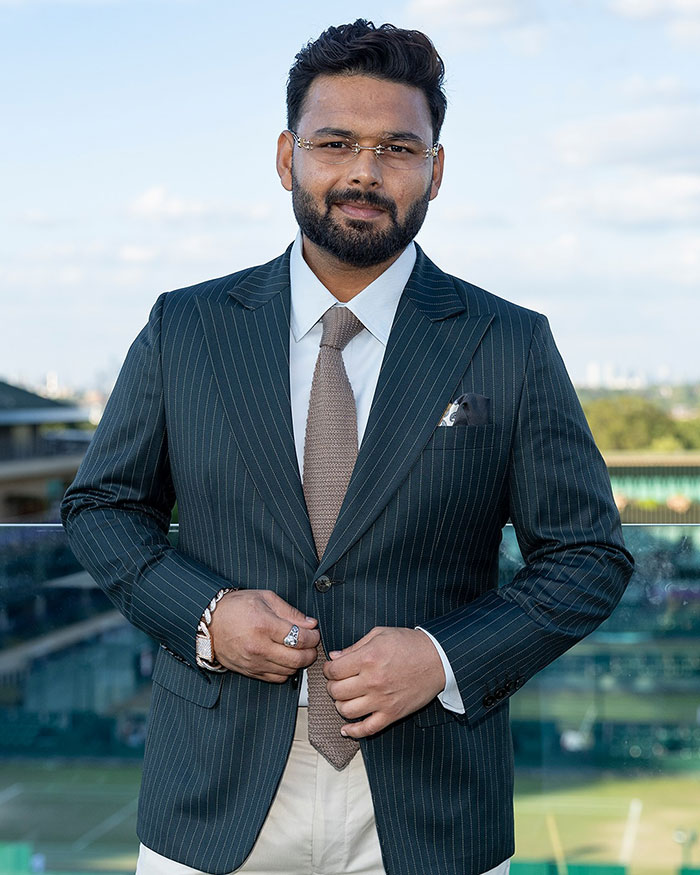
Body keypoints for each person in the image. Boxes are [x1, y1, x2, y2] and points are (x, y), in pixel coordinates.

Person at [61, 19, 634, 875]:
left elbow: (588, 555)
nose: (365, 170)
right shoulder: (185, 327)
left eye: (398, 148)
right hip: (212, 800)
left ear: (435, 172)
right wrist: (208, 617)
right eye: (337, 143)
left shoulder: (510, 341)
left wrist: (440, 658)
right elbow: (101, 507)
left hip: (431, 805)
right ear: (288, 158)